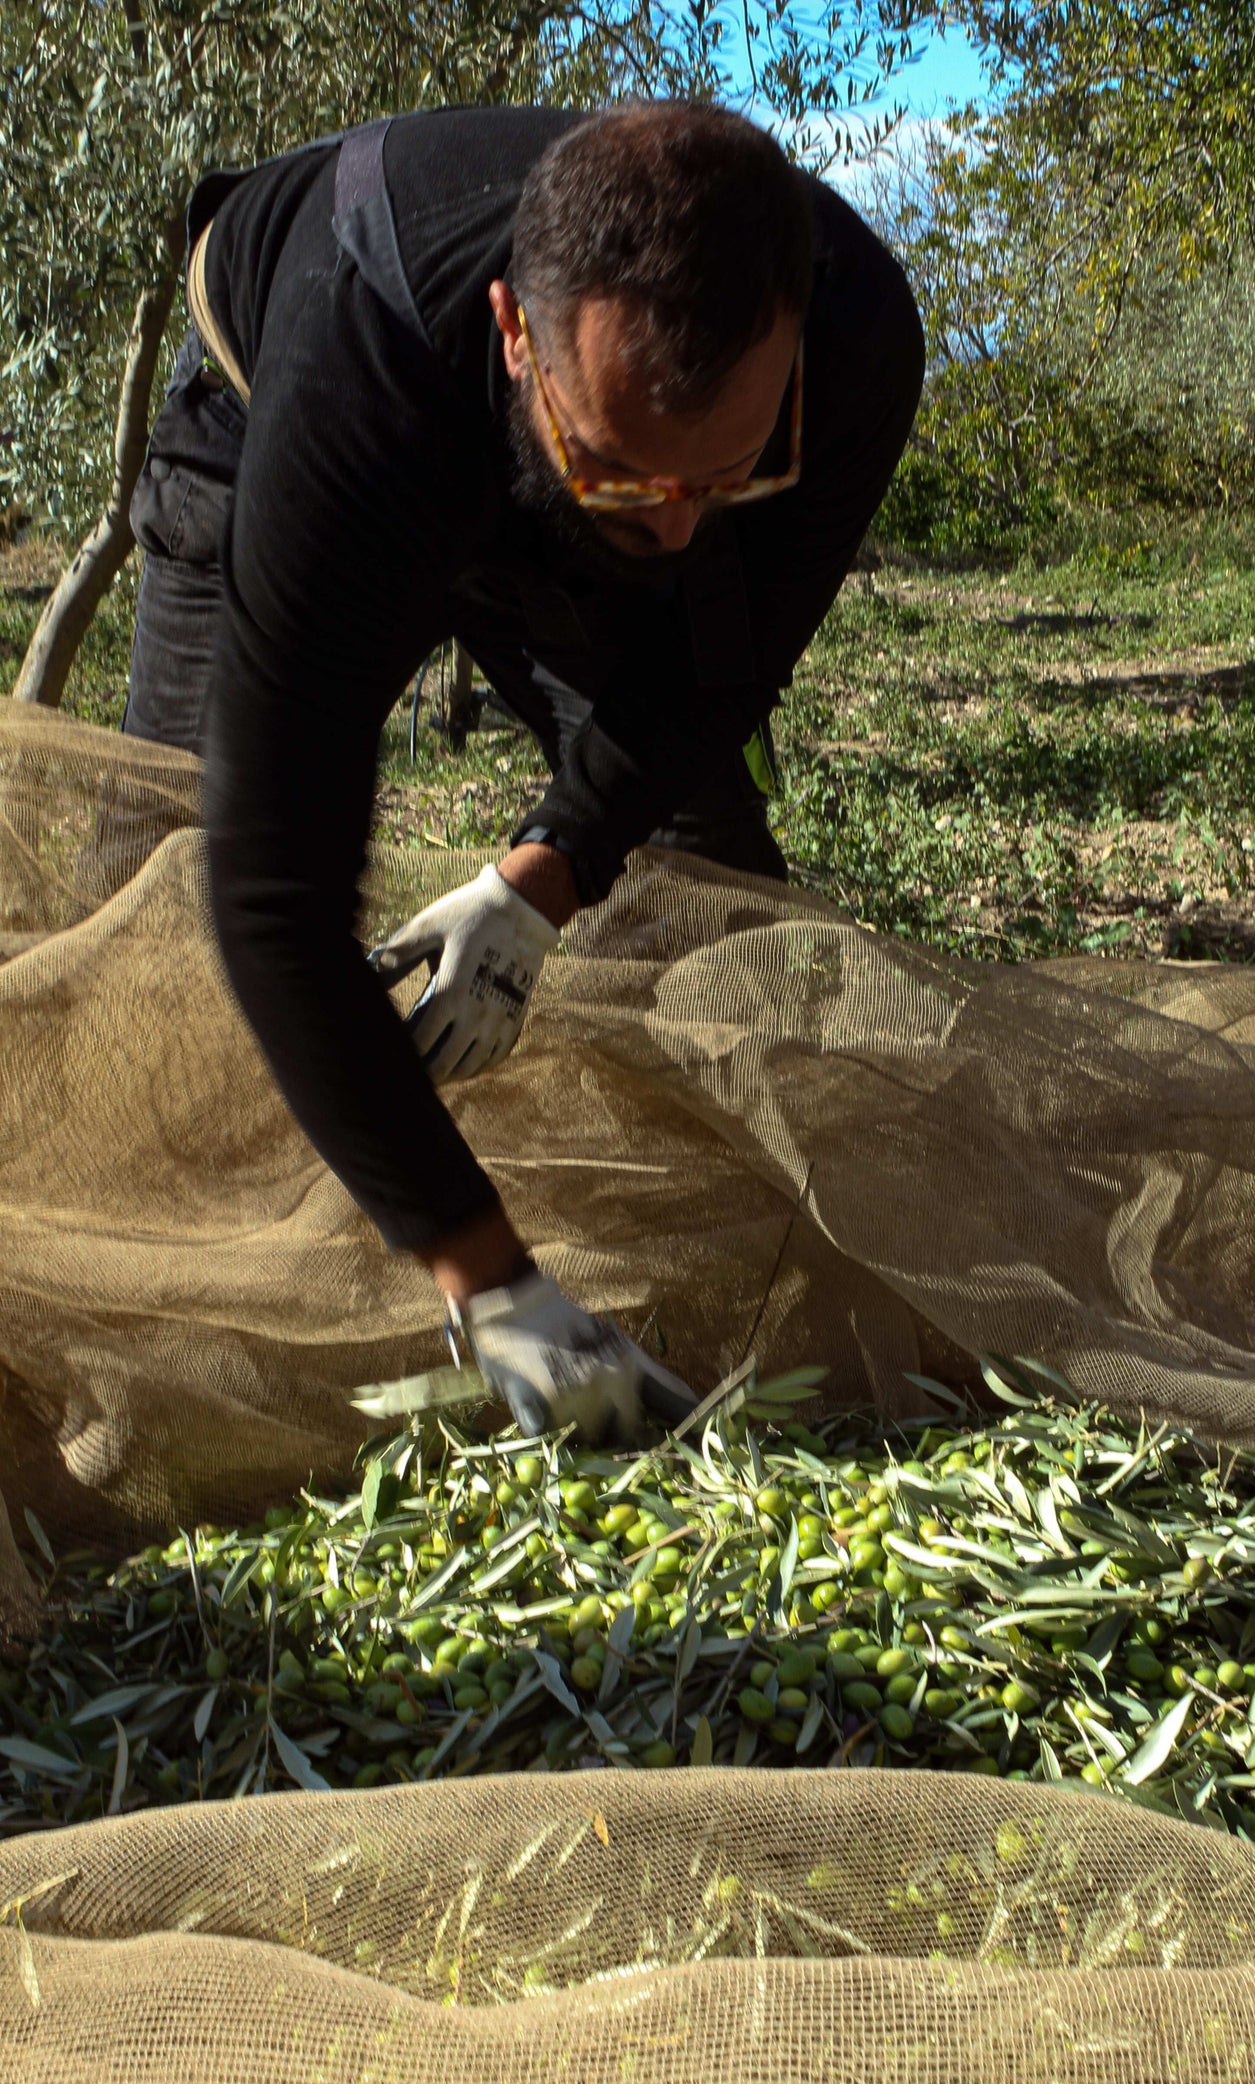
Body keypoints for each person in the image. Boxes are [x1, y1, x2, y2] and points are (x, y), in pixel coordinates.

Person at [121, 101, 924, 1437]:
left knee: (699, 855)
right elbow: (271, 887)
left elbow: (716, 674)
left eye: (726, 474)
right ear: (515, 334)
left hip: (551, 450)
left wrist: (544, 878)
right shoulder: (360, 394)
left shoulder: (851, 344)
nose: (671, 529)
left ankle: (727, 1261)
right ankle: (194, 1339)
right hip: (280, 413)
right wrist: (494, 1286)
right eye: (626, 474)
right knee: (160, 906)